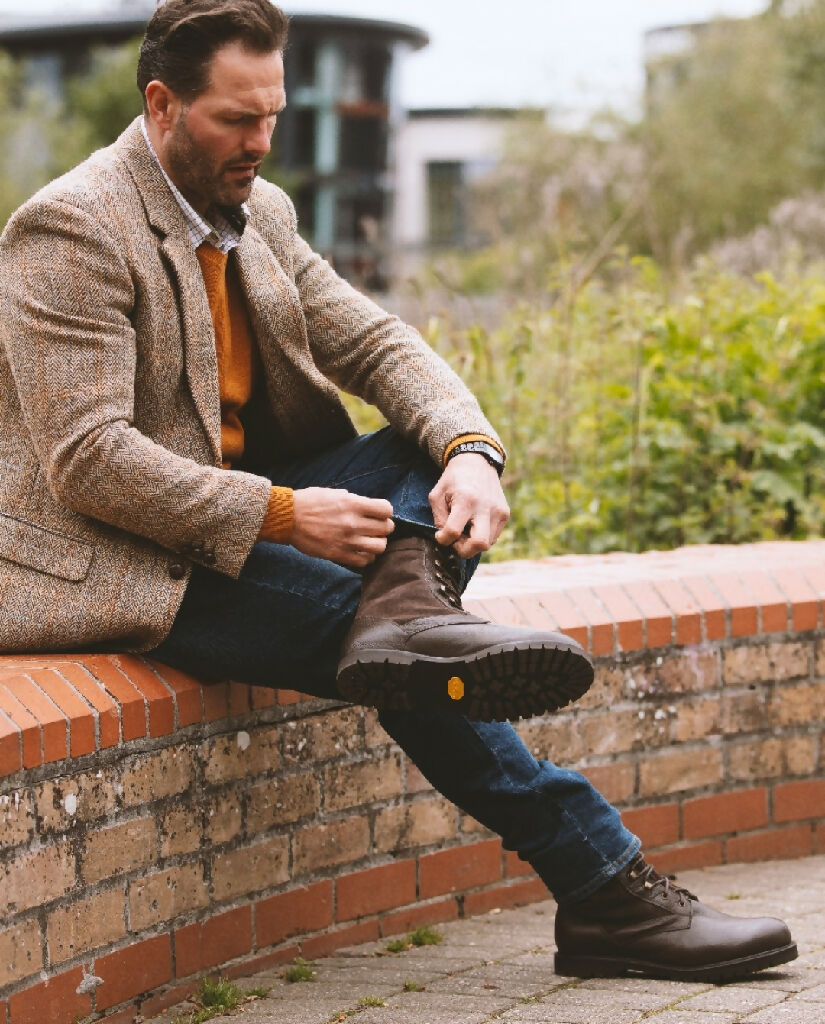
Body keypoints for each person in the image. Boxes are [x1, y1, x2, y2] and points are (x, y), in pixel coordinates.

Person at [0, 0, 796, 983]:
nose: (262, 140)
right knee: (377, 638)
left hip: (244, 511)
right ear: (161, 104)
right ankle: (606, 888)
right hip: (129, 554)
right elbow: (91, 460)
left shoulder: (261, 212)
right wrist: (286, 515)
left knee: (417, 460)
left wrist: (471, 451)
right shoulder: (71, 231)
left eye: (275, 116)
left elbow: (374, 340)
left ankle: (409, 618)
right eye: (236, 120)